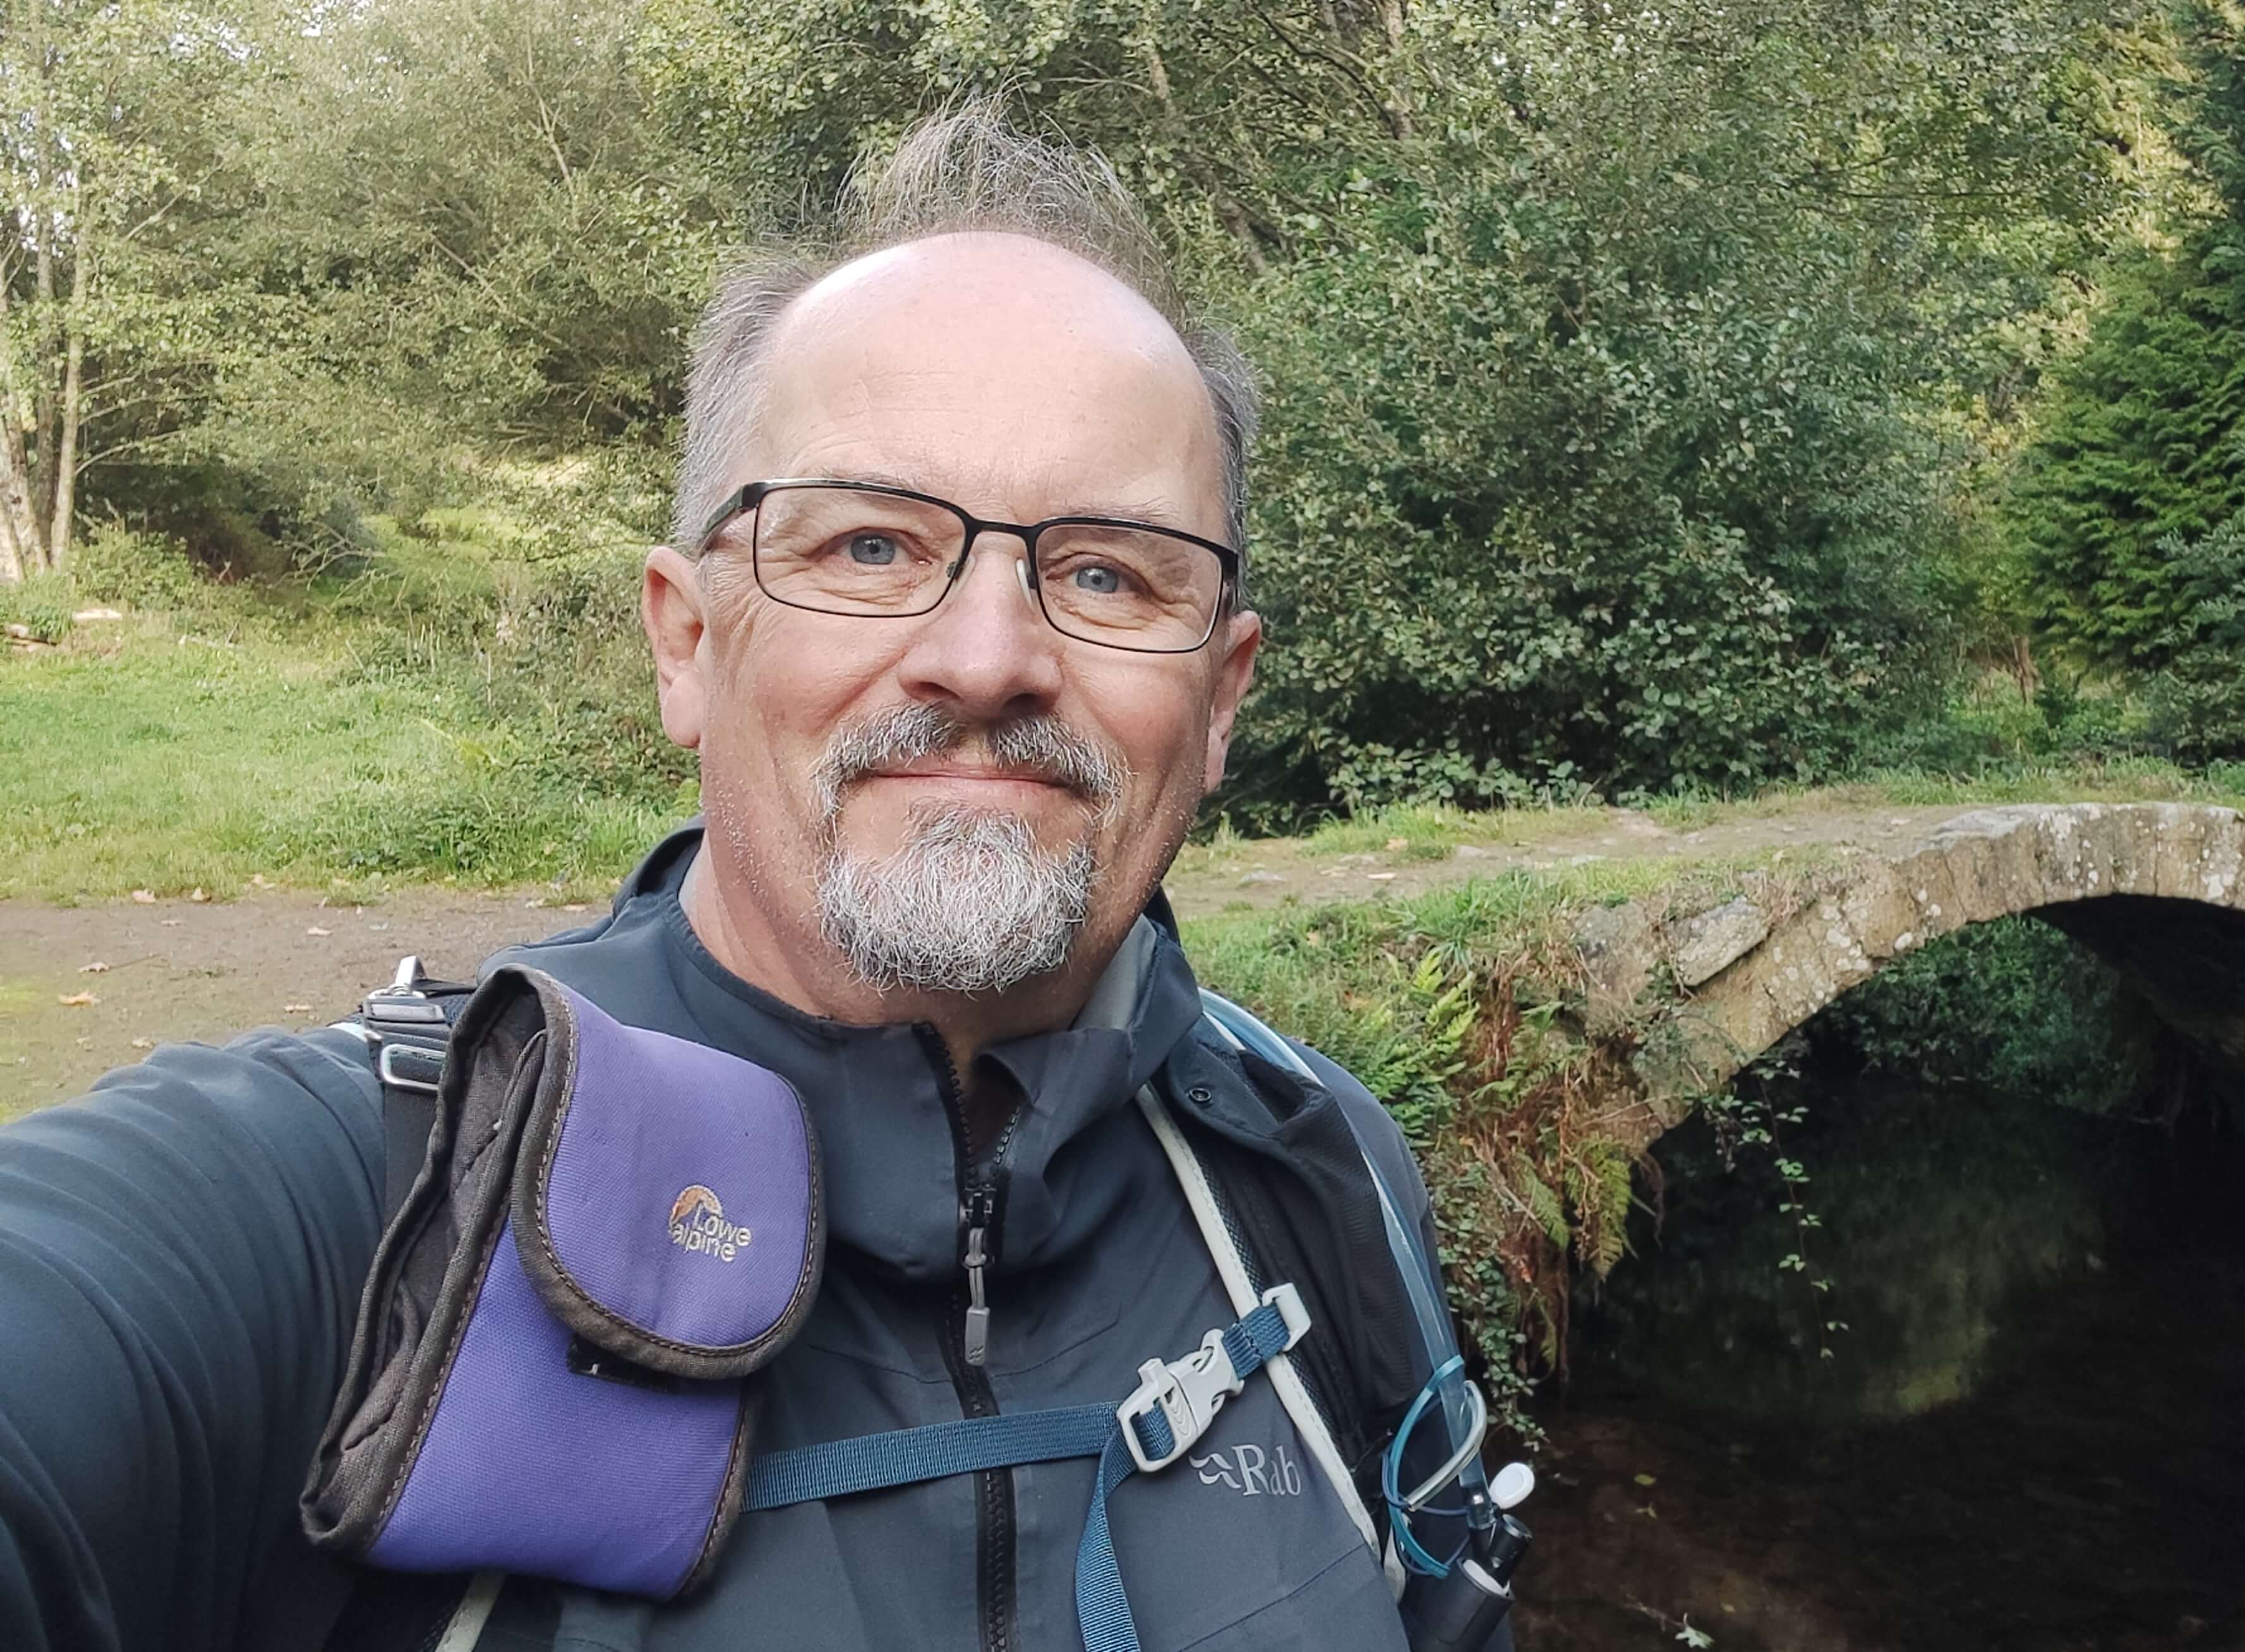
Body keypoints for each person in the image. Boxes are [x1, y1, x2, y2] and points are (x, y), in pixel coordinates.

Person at [0, 104, 1507, 1652]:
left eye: (1107, 571)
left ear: (1223, 698)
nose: (986, 658)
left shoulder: (1318, 1175)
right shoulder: (345, 1220)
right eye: (868, 547)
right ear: (687, 638)